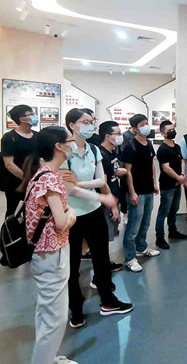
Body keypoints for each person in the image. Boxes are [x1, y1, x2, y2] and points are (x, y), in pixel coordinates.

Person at [63, 108, 132, 328]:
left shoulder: (93, 149)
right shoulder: (64, 152)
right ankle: (75, 309)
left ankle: (108, 301)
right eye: (85, 122)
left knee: (101, 259)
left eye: (91, 121)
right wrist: (99, 195)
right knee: (72, 265)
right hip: (71, 217)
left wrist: (80, 184)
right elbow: (67, 189)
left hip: (93, 212)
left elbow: (101, 179)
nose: (90, 125)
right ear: (72, 125)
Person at [19, 126, 78, 364]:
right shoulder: (51, 178)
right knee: (55, 318)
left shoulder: (42, 172)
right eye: (70, 140)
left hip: (44, 252)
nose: (73, 144)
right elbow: (61, 223)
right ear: (59, 146)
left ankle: (46, 357)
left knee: (47, 313)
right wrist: (72, 212)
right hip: (50, 253)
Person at [120, 114, 160, 272]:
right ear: (135, 128)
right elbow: (127, 171)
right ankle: (130, 258)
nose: (146, 126)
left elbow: (152, 164)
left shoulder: (148, 143)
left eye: (146, 123)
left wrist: (154, 183)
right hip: (137, 192)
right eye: (142, 124)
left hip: (149, 189)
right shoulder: (130, 146)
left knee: (146, 222)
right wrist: (132, 193)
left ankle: (141, 248)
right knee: (133, 226)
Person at [0, 104, 38, 215]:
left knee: (32, 211)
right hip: (15, 182)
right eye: (31, 114)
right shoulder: (9, 138)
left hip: (34, 181)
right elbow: (9, 164)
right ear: (22, 119)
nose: (34, 116)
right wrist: (27, 179)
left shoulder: (37, 136)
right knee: (13, 211)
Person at [154, 120, 187, 249]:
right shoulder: (162, 149)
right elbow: (166, 168)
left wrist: (182, 176)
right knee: (163, 211)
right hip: (167, 185)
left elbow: (182, 161)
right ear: (163, 133)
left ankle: (172, 231)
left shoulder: (177, 147)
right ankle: (159, 237)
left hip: (177, 184)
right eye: (169, 130)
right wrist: (179, 178)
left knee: (174, 209)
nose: (172, 132)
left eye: (173, 129)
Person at [98, 121, 126, 269]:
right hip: (108, 202)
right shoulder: (102, 154)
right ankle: (104, 265)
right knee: (105, 235)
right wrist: (113, 206)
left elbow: (111, 173)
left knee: (111, 232)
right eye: (118, 133)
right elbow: (103, 183)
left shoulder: (112, 151)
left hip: (115, 196)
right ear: (108, 136)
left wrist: (118, 172)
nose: (120, 136)